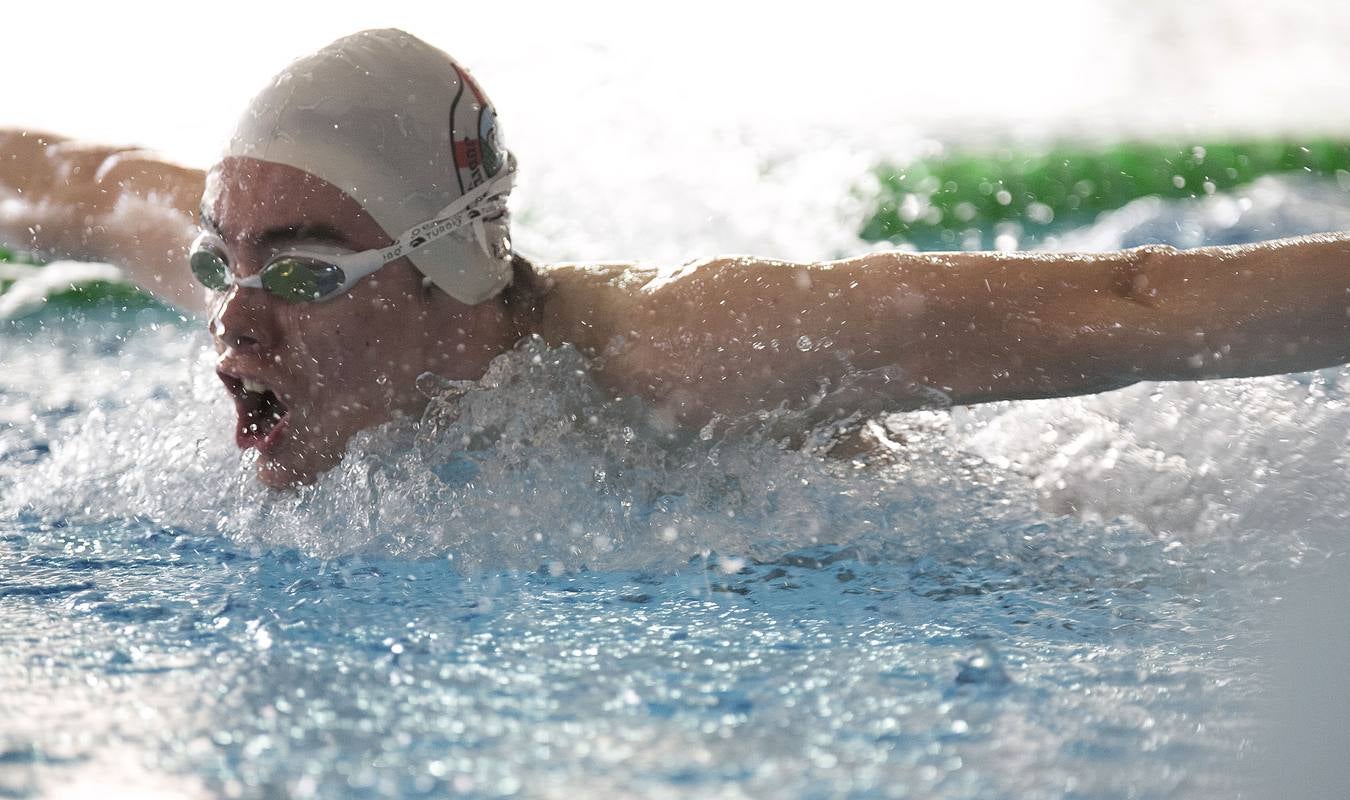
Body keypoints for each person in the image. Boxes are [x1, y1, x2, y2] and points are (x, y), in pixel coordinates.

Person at [2, 29, 1349, 490]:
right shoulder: (266, 280)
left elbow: (1133, 301)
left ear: (448, 268)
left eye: (295, 270)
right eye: (218, 264)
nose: (233, 324)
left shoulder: (684, 359)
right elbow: (76, 183)